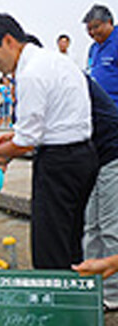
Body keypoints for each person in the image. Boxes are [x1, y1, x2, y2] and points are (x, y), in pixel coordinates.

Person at [0, 13, 98, 270]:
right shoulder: (56, 61)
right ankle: (74, 300)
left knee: (49, 246)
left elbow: (26, 142)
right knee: (71, 240)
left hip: (59, 164)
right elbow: (45, 124)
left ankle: (53, 302)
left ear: (8, 41)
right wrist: (13, 140)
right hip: (83, 157)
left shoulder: (31, 73)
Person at [83, 74, 118, 309]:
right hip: (92, 158)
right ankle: (93, 286)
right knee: (90, 225)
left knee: (109, 226)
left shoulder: (68, 80)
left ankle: (113, 294)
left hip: (112, 155)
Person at [84, 4, 118, 105]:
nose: (93, 32)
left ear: (109, 22)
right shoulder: (93, 48)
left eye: (96, 27)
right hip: (100, 106)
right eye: (89, 29)